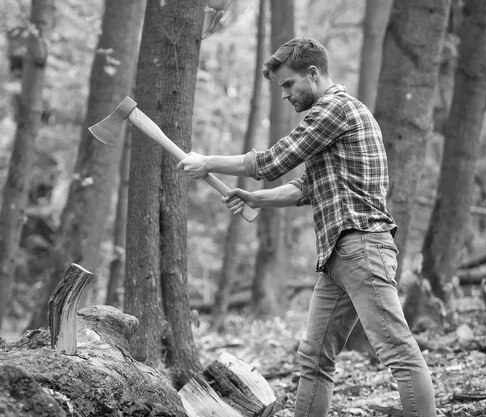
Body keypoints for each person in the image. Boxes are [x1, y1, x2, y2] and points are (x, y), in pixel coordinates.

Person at [177, 38, 437, 417]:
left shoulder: (335, 110)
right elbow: (306, 187)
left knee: (397, 348)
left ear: (313, 74)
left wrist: (208, 162)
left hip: (361, 246)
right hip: (339, 253)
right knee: (314, 357)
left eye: (287, 84)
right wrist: (255, 199)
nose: (284, 95)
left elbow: (272, 161)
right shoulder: (334, 119)